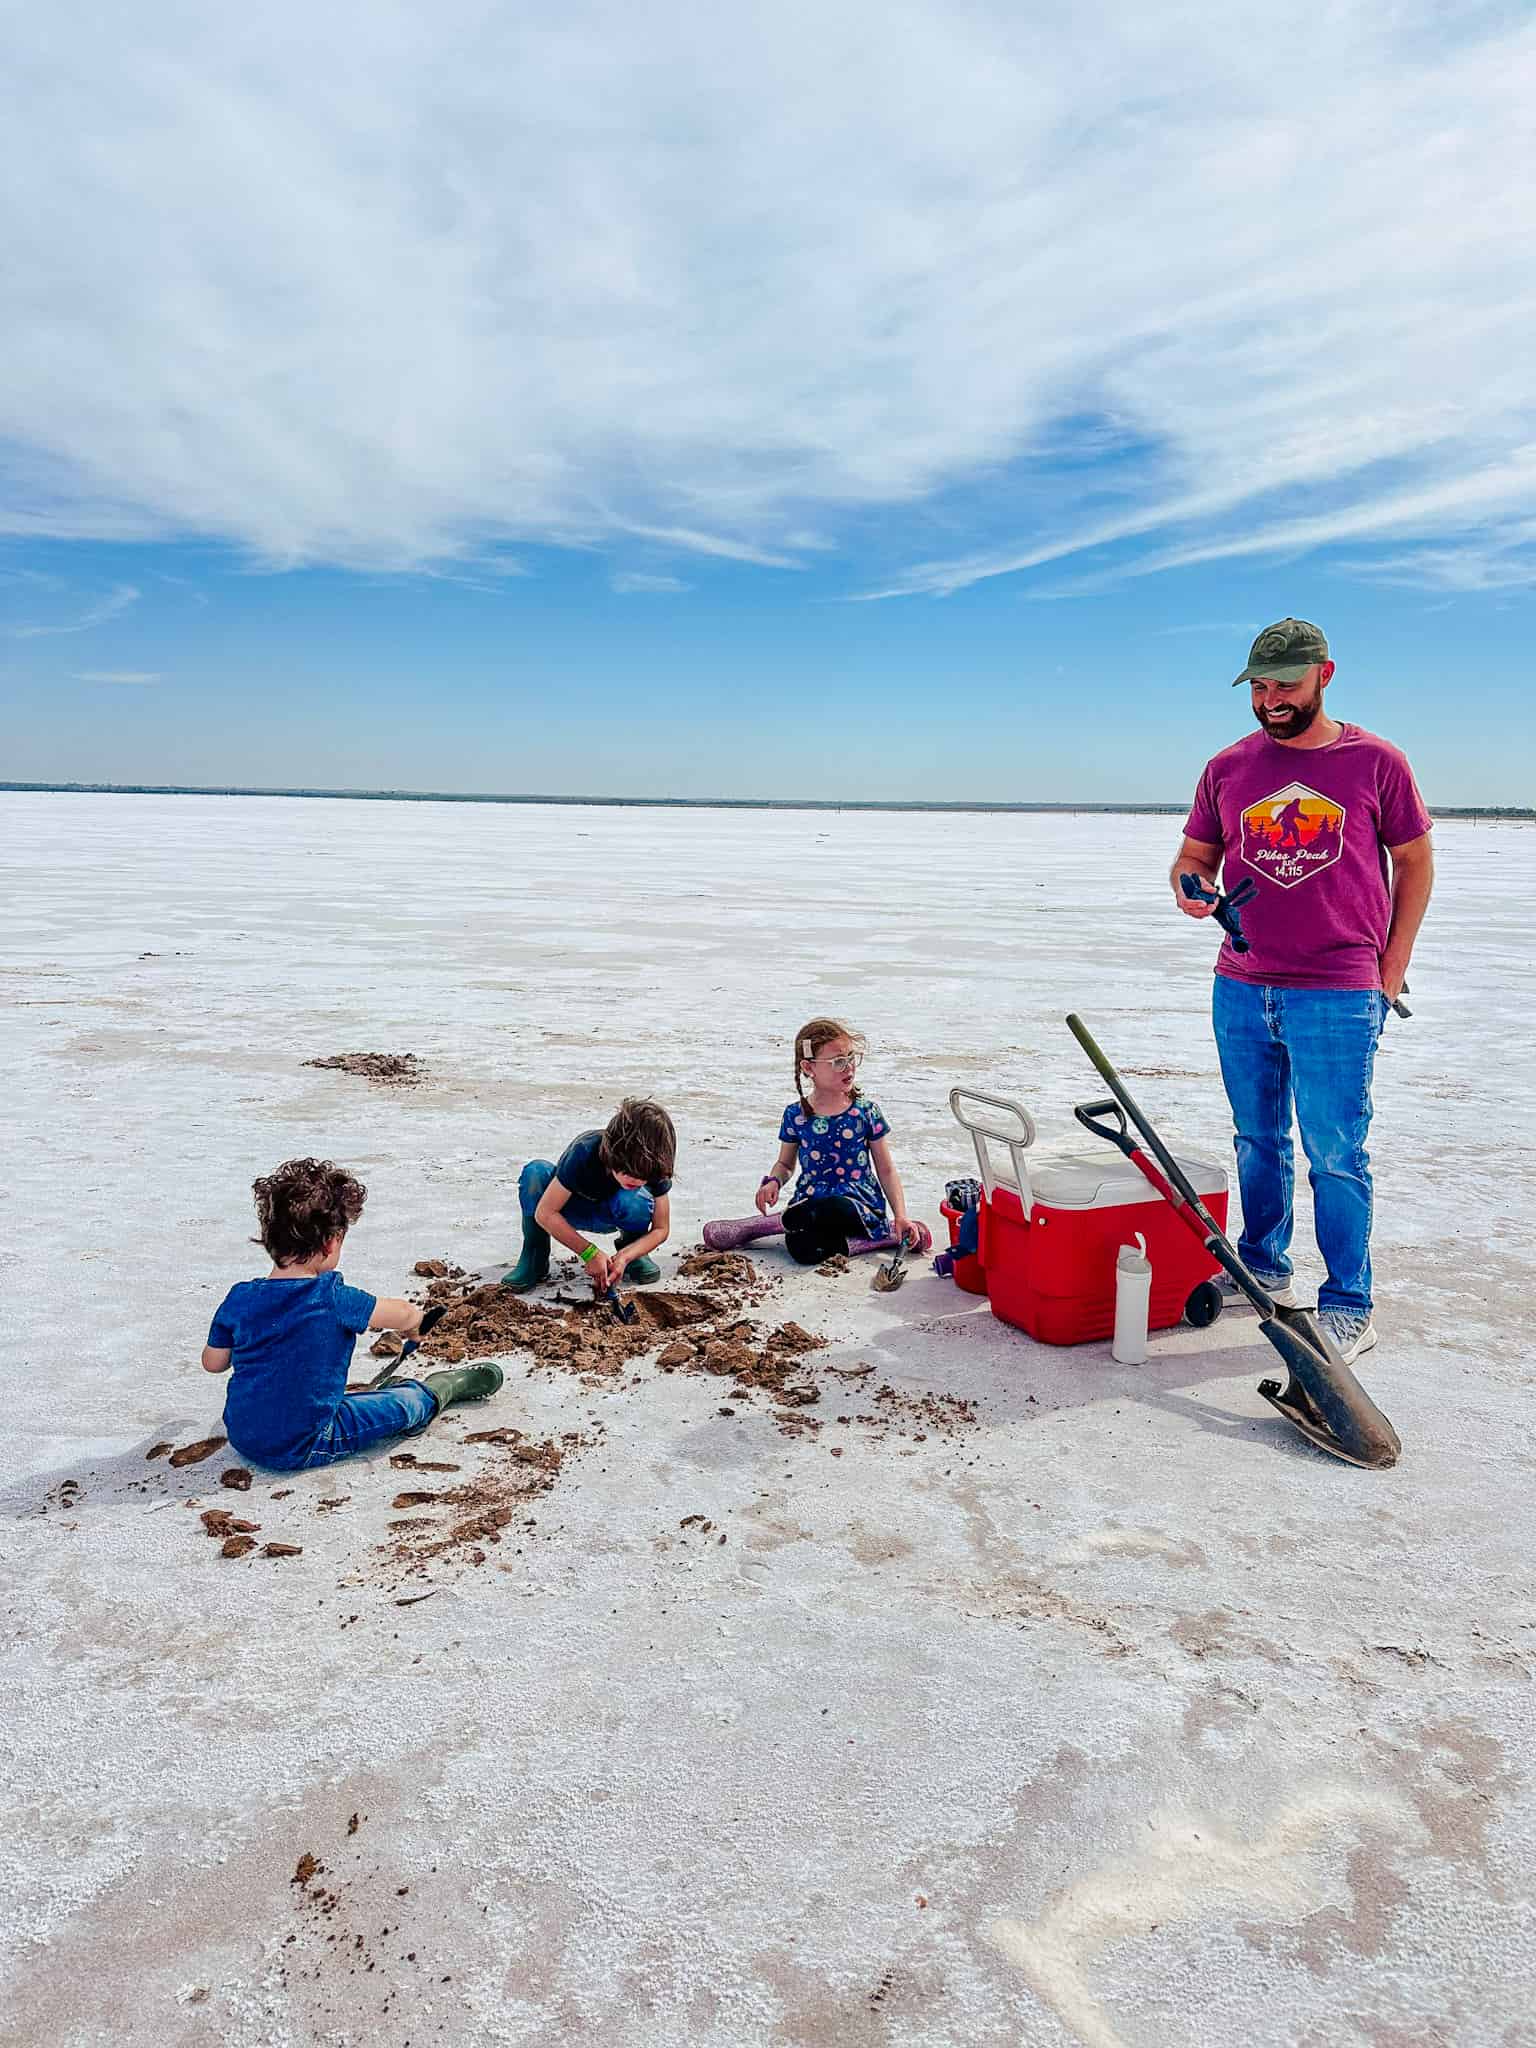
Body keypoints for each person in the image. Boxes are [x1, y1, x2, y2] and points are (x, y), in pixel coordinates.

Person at [1170, 618, 1434, 1362]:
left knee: (1336, 1152)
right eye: (1258, 687)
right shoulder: (1227, 767)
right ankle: (1263, 1260)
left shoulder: (1377, 761)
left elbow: (1414, 862)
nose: (1270, 700)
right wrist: (1192, 888)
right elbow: (1195, 854)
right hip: (1243, 985)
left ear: (1325, 674)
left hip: (1338, 992)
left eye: (1284, 685)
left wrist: (1390, 966)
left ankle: (1349, 1303)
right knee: (1257, 1141)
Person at [200, 1157, 502, 1472]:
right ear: (331, 1243)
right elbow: (401, 1313)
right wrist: (415, 1326)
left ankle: (390, 1393)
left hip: (243, 1436)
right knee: (404, 1406)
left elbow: (213, 1364)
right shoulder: (332, 1297)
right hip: (311, 1441)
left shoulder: (239, 1298)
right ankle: (438, 1389)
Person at [754, 1017, 922, 1265]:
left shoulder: (865, 1112)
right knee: (802, 1251)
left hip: (857, 1205)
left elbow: (886, 1169)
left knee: (834, 1207)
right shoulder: (795, 1115)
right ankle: (874, 1241)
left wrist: (901, 1216)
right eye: (838, 1062)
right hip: (811, 1202)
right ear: (809, 1068)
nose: (849, 1068)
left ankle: (777, 1222)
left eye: (851, 1058)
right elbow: (785, 1164)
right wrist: (773, 1182)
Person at [501, 1097, 675, 1294]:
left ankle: (633, 1255)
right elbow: (545, 1213)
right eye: (627, 1171)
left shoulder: (654, 1164)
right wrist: (589, 1252)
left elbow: (661, 1228)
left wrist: (627, 1256)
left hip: (614, 1212)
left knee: (638, 1199)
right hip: (567, 1209)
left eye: (644, 1177)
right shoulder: (585, 1152)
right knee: (535, 1173)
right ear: (612, 1153)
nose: (635, 1179)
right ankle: (535, 1253)